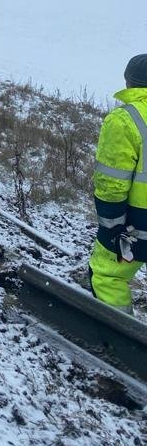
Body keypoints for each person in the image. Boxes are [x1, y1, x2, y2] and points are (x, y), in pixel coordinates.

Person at [89, 54, 147, 313]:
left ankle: (122, 346)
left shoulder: (125, 119)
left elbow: (112, 183)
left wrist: (112, 227)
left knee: (108, 276)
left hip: (140, 221)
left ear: (129, 82)